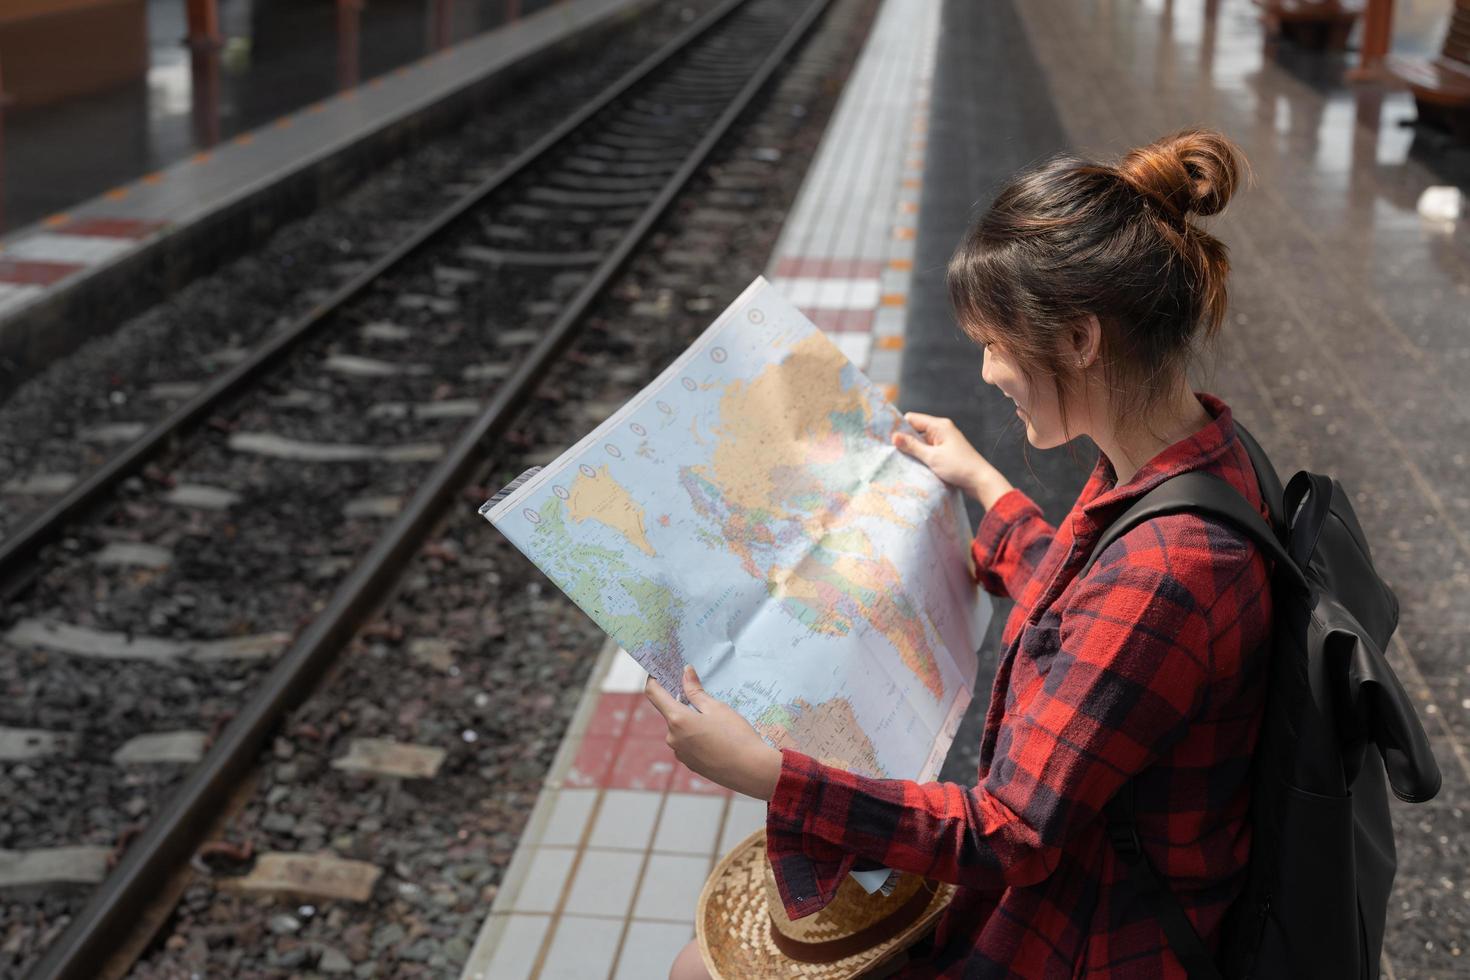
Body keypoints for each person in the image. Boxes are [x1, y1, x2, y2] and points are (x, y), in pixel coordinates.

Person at [646, 127, 1275, 978]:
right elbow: (1090, 611)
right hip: (1098, 888)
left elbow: (1011, 831)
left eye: (992, 343)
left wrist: (770, 774)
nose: (983, 374)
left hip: (1083, 936)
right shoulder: (1191, 454)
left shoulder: (1172, 571)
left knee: (694, 970)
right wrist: (986, 488)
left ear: (1082, 339)